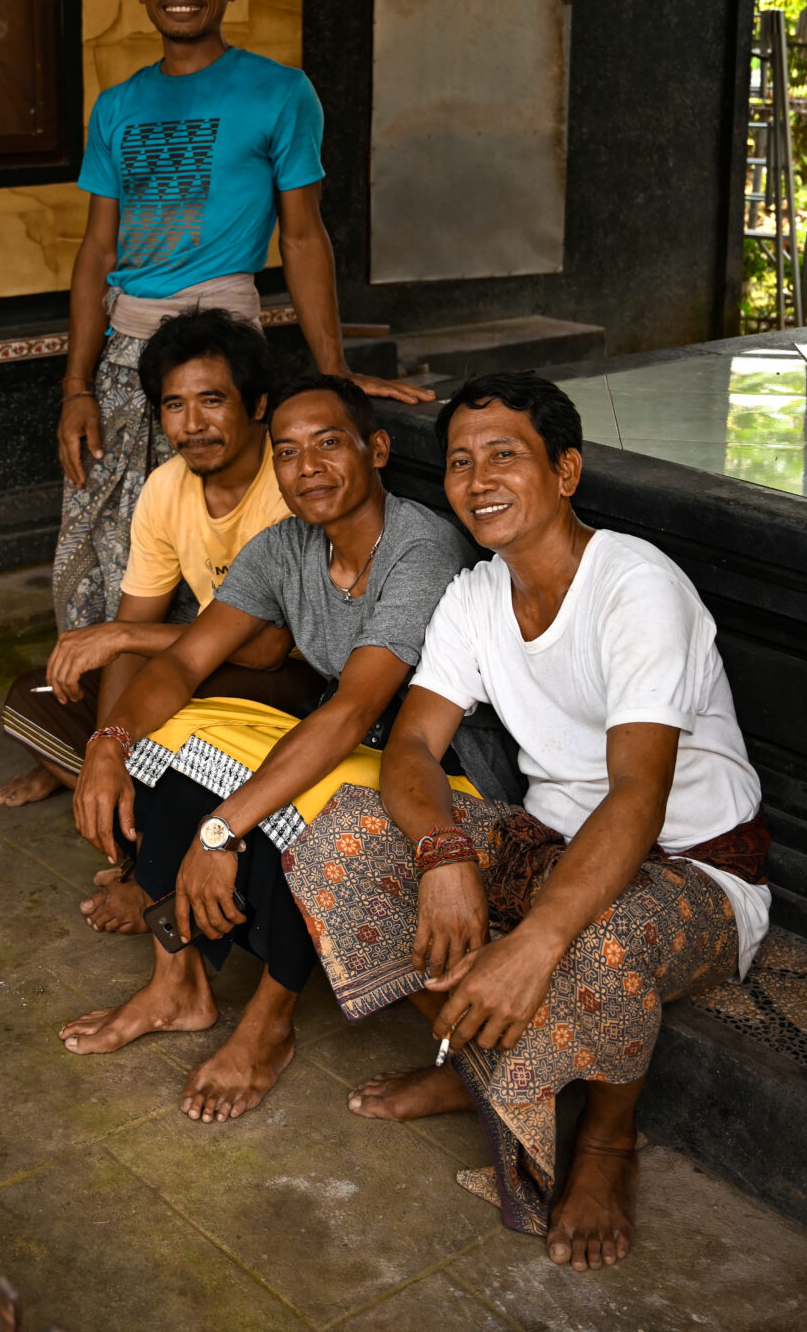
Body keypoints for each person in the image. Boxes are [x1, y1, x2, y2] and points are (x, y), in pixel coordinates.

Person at [284, 372, 770, 1273]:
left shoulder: (636, 588)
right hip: (547, 847)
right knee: (341, 834)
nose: (477, 480)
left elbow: (636, 797)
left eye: (504, 455)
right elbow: (411, 751)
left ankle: (606, 1142)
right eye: (461, 463)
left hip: (693, 869)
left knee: (606, 932)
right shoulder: (475, 597)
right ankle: (478, 1066)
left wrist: (535, 940)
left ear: (566, 471)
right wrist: (440, 852)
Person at [58, 374, 510, 1126]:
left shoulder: (419, 547)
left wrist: (222, 827)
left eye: (329, 445)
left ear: (377, 449)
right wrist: (106, 745)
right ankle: (178, 983)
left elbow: (354, 710)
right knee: (168, 741)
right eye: (289, 453)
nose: (308, 469)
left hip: (442, 763)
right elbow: (181, 664)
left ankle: (269, 1022)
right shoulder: (283, 548)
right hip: (355, 734)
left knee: (299, 813)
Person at [52, 0, 426, 636]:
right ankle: (99, 720)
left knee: (223, 540)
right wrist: (75, 387)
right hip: (125, 359)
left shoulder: (279, 93)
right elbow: (97, 250)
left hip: (221, 353)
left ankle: (208, 729)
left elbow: (304, 237)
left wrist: (333, 371)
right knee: (104, 546)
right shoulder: (117, 106)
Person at [0, 309, 324, 930]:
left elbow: (263, 651)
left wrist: (121, 639)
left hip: (294, 686)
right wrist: (105, 749)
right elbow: (131, 637)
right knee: (32, 698)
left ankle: (153, 864)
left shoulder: (291, 487)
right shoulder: (166, 488)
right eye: (174, 406)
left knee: (174, 715)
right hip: (205, 667)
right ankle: (138, 817)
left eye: (211, 401)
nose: (192, 425)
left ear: (257, 405)